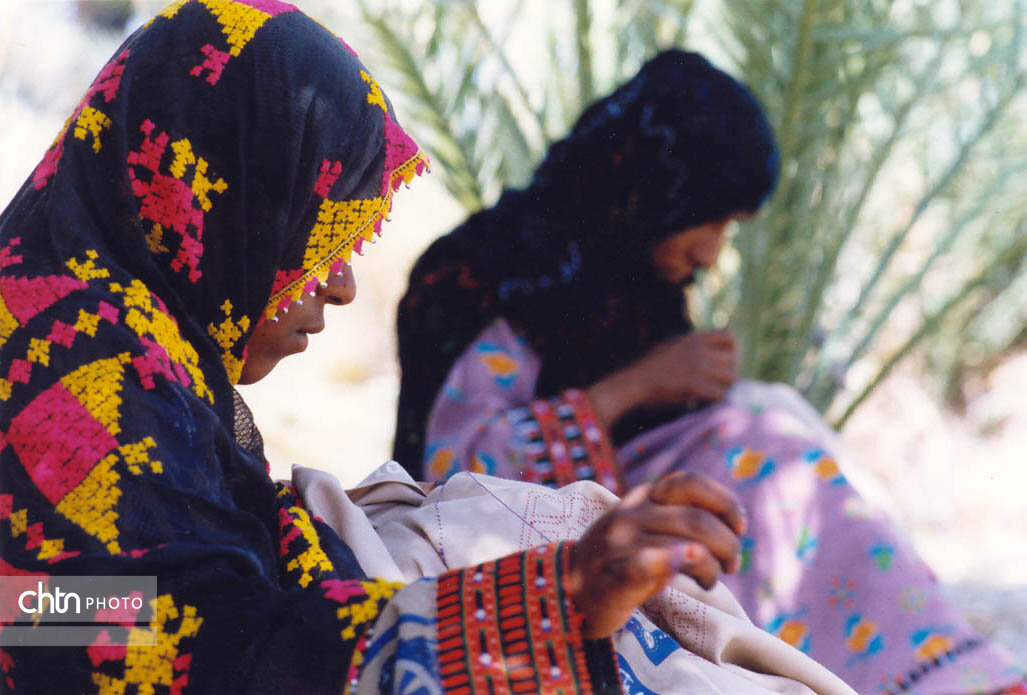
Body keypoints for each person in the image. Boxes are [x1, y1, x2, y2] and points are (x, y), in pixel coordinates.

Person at [0, 4, 857, 694]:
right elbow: (41, 617)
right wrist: (533, 604)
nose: (338, 285)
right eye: (314, 236)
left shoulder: (133, 346)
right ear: (210, 208)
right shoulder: (79, 377)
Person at [393, 51, 1027, 694]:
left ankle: (943, 672)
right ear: (652, 192)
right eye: (709, 218)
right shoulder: (483, 276)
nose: (711, 252)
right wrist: (639, 384)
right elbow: (457, 471)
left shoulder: (631, 271)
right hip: (548, 562)